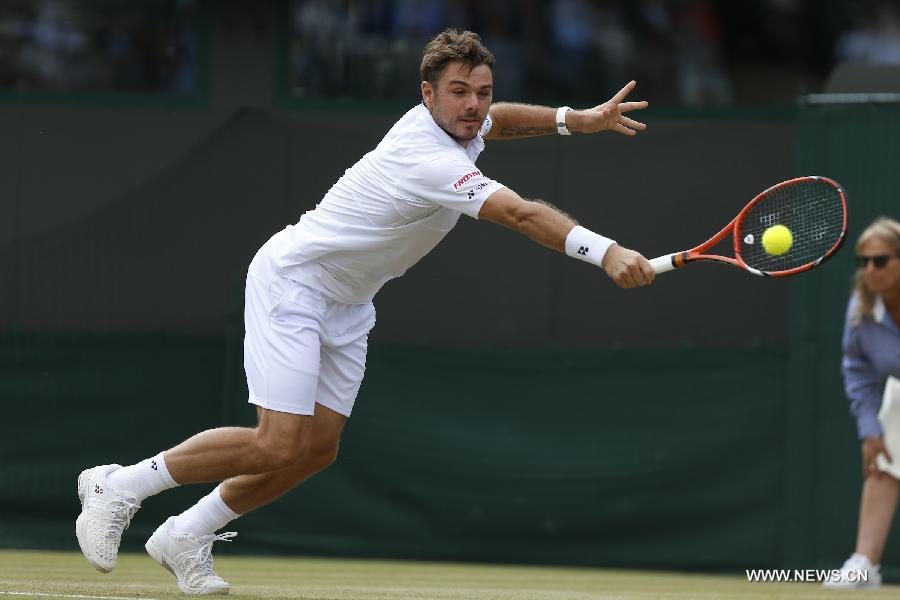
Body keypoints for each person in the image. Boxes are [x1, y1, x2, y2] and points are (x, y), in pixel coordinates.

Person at [74, 29, 654, 595]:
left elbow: (498, 119)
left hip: (349, 301)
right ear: (427, 94)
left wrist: (573, 119)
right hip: (295, 283)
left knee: (317, 450)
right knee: (278, 443)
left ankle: (186, 534)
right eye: (459, 92)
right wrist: (607, 252)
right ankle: (117, 486)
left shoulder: (463, 125)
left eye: (481, 90)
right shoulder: (425, 156)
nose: (474, 105)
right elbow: (523, 214)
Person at [825, 217, 900, 590]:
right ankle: (864, 566)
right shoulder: (861, 309)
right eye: (863, 262)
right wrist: (869, 427)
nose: (871, 269)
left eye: (881, 260)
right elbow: (857, 372)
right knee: (881, 458)